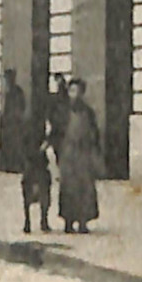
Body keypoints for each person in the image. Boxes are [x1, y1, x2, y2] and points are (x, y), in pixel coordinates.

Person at [54, 77, 101, 234]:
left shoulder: (88, 112)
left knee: (84, 187)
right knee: (68, 187)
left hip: (83, 154)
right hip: (68, 153)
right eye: (72, 91)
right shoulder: (63, 111)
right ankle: (68, 221)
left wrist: (94, 150)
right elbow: (57, 132)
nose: (75, 95)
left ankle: (83, 221)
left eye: (78, 91)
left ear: (82, 93)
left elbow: (95, 133)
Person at [0, 70, 29, 174]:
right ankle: (9, 165)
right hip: (9, 123)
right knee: (8, 144)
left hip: (15, 123)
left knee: (16, 144)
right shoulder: (9, 93)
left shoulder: (17, 92)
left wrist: (16, 117)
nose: (7, 82)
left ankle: (16, 166)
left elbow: (21, 107)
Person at [20, 136, 53, 234]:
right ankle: (43, 221)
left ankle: (28, 222)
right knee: (44, 196)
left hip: (31, 169)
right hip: (39, 170)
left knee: (27, 198)